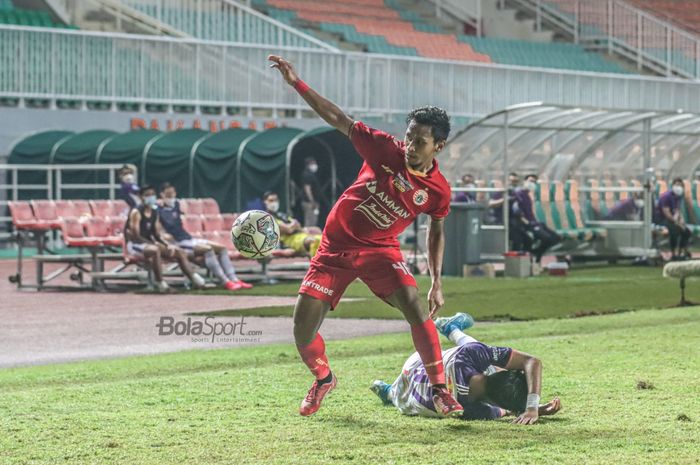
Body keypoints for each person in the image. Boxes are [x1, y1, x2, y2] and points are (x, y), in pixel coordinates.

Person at [269, 54, 463, 418]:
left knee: (414, 303)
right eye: (409, 137)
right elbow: (338, 118)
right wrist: (297, 82)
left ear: (438, 146)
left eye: (420, 141)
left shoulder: (438, 191)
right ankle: (324, 378)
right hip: (335, 249)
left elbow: (437, 231)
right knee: (302, 331)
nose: (410, 146)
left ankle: (440, 390)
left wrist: (437, 280)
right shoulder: (383, 147)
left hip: (380, 252)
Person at [371, 313, 561, 424]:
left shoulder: (470, 356)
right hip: (405, 397)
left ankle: (452, 329)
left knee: (477, 349)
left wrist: (532, 405)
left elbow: (533, 362)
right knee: (406, 398)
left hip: (415, 363)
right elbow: (506, 411)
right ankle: (387, 392)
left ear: (502, 372)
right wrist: (533, 409)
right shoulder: (473, 412)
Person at [158, 183, 252, 291]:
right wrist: (166, 237)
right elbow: (159, 230)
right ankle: (225, 281)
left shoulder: (176, 206)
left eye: (172, 194)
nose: (171, 197)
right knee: (208, 250)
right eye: (168, 195)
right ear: (162, 195)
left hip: (188, 239)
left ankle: (234, 278)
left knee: (222, 249)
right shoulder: (159, 211)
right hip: (178, 242)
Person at [124, 185, 206, 292]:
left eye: (152, 194)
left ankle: (195, 280)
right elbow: (135, 235)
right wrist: (153, 244)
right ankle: (160, 283)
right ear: (141, 197)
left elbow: (157, 234)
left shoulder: (154, 212)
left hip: (149, 243)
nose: (151, 197)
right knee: (155, 250)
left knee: (178, 251)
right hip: (135, 244)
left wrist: (167, 244)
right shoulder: (136, 212)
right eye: (147, 195)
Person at [510, 174, 560, 263]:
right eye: (530, 181)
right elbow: (517, 212)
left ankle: (537, 252)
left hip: (535, 223)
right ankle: (536, 255)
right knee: (546, 238)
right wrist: (527, 223)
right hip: (527, 224)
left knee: (556, 238)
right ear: (524, 182)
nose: (532, 183)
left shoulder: (528, 196)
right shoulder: (518, 194)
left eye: (534, 182)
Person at [263, 191, 322, 257]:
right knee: (314, 241)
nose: (274, 203)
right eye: (271, 200)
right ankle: (316, 264)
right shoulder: (267, 218)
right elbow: (288, 229)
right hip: (290, 240)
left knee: (321, 237)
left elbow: (297, 225)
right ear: (265, 201)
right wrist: (293, 226)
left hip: (301, 235)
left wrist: (295, 226)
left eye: (276, 200)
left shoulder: (282, 215)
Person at [654, 178, 692, 260]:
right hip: (662, 220)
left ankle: (681, 252)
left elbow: (678, 211)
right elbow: (666, 213)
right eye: (677, 185)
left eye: (681, 185)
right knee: (674, 230)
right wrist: (677, 223)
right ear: (673, 186)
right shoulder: (666, 196)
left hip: (672, 220)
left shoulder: (678, 197)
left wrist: (682, 222)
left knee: (687, 231)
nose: (679, 187)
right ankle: (673, 253)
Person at [300, 156, 321, 227]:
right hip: (309, 203)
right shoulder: (307, 174)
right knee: (310, 222)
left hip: (312, 202)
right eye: (313, 163)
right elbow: (307, 189)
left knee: (313, 221)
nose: (315, 165)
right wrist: (312, 201)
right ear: (308, 165)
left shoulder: (311, 174)